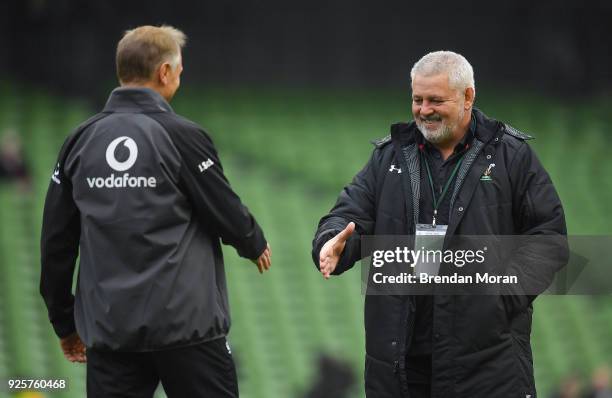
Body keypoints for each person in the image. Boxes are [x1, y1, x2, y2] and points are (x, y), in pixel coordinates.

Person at [312, 51, 568, 397]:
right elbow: (348, 213)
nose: (423, 110)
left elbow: (549, 239)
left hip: (486, 368)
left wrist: (500, 298)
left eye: (435, 100)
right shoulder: (389, 156)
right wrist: (331, 241)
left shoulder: (512, 156)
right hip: (401, 367)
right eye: (417, 99)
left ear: (468, 97)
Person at [40, 25, 271, 398]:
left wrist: (64, 322)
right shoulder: (183, 135)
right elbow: (223, 208)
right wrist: (252, 241)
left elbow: (55, 241)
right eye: (179, 71)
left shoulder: (78, 141)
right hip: (187, 330)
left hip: (112, 334)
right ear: (164, 73)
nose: (180, 77)